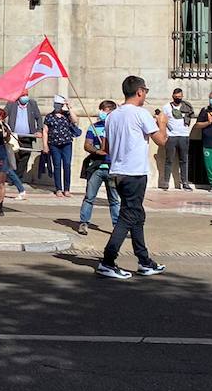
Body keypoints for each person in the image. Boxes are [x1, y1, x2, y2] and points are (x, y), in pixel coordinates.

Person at [96, 76, 168, 280]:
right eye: (145, 91)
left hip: (118, 171)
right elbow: (161, 141)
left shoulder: (112, 116)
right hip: (134, 173)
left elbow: (106, 148)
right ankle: (108, 261)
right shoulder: (140, 114)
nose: (146, 95)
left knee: (137, 215)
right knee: (128, 216)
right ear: (139, 92)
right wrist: (162, 123)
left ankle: (144, 260)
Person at [77, 99, 122, 237]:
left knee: (114, 199)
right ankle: (84, 223)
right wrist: (97, 151)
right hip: (97, 167)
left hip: (112, 168)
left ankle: (117, 226)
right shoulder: (93, 127)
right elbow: (87, 145)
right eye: (102, 109)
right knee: (89, 197)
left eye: (106, 110)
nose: (102, 112)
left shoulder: (118, 127)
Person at [43, 95, 82, 197]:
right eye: (56, 104)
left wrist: (69, 107)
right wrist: (45, 145)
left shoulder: (66, 115)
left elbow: (75, 120)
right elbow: (45, 131)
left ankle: (67, 189)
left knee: (67, 165)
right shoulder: (49, 116)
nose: (58, 106)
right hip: (54, 144)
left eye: (60, 104)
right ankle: (58, 188)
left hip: (66, 143)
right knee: (57, 165)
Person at [5, 92, 46, 184]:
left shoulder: (32, 104)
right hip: (14, 137)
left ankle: (17, 178)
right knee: (13, 157)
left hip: (28, 136)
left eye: (26, 95)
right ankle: (12, 177)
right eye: (23, 95)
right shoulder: (11, 103)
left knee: (25, 157)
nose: (25, 97)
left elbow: (39, 118)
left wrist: (39, 130)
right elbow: (3, 114)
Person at [158, 88, 194, 191]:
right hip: (171, 136)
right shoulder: (166, 107)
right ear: (173, 96)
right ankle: (165, 182)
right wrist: (164, 134)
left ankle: (185, 182)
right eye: (176, 96)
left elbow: (190, 116)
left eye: (180, 96)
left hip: (184, 136)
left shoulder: (186, 107)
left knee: (184, 160)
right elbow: (162, 121)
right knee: (169, 160)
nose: (178, 98)